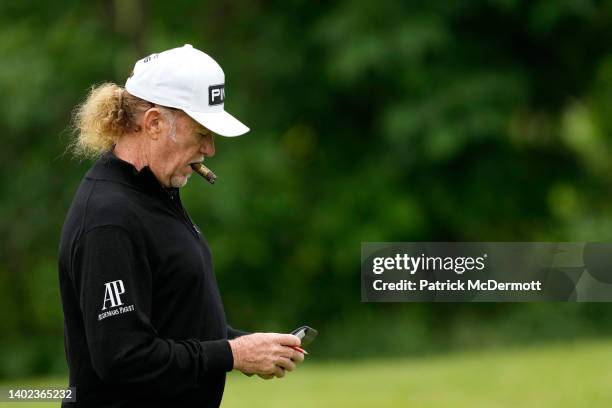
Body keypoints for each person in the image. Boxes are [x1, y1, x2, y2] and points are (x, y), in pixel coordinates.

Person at [58, 44, 304, 408]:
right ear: (155, 123)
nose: (210, 149)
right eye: (201, 132)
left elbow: (173, 320)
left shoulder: (155, 191)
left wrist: (247, 345)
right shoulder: (110, 219)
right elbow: (122, 357)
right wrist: (232, 354)